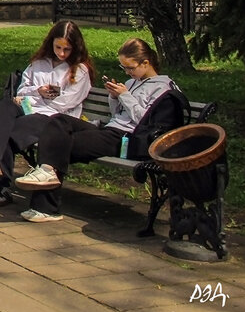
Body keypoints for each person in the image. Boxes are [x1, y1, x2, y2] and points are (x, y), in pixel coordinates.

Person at [14, 38, 181, 222]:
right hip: (109, 129)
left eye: (130, 68)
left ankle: (45, 207)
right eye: (123, 67)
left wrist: (125, 96)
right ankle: (46, 174)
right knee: (59, 121)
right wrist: (115, 97)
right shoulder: (132, 82)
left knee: (57, 144)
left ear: (146, 63)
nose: (127, 72)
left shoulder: (164, 89)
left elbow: (145, 121)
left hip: (125, 139)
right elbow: (118, 114)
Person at [0, 20, 94, 207]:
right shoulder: (38, 63)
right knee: (7, 105)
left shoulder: (80, 70)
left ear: (76, 48)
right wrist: (37, 92)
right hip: (29, 109)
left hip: (53, 119)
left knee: (4, 130)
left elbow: (65, 103)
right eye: (58, 47)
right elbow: (22, 90)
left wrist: (33, 99)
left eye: (67, 49)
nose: (62, 53)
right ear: (51, 43)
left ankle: (2, 186)